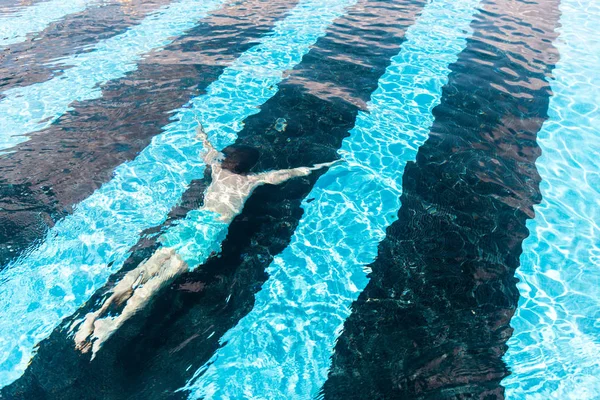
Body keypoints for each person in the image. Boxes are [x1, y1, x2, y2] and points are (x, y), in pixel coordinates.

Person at [74, 123, 341, 357]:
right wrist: (327, 165)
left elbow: (209, 148)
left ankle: (97, 313)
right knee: (157, 283)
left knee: (144, 268)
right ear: (250, 167)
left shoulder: (217, 170)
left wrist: (201, 132)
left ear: (228, 161)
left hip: (192, 223)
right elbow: (295, 172)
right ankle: (114, 324)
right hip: (206, 235)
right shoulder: (251, 181)